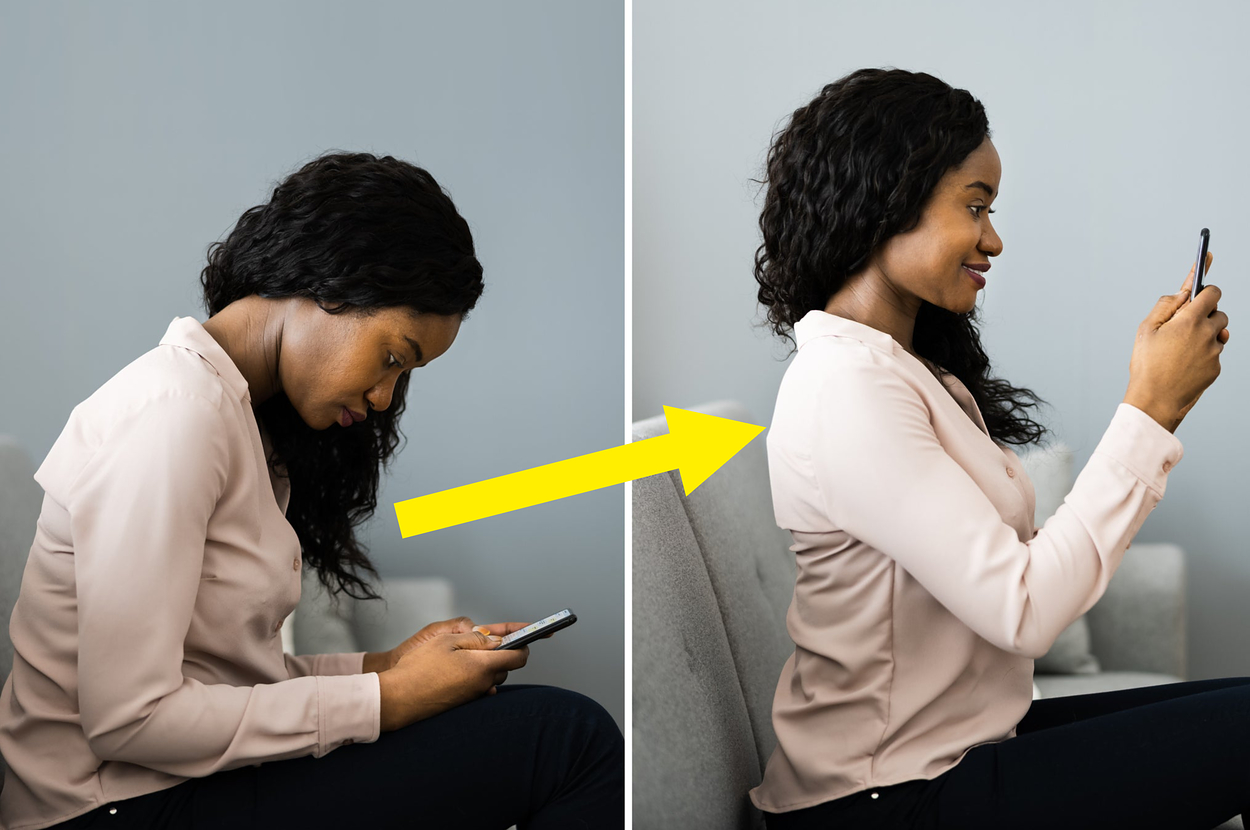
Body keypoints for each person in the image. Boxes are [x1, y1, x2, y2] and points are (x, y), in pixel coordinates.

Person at [0, 152, 624, 830]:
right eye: (393, 357)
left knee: (549, 730)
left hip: (169, 788)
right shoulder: (173, 414)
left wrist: (385, 666)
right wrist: (387, 698)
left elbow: (222, 682)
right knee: (568, 740)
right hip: (107, 809)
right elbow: (133, 720)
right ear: (329, 280)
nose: (385, 398)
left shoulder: (237, 421)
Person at [750, 68, 1244, 829]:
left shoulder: (911, 374)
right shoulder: (846, 388)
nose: (994, 238)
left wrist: (1154, 410)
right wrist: (1149, 410)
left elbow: (1008, 576)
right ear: (886, 201)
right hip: (886, 801)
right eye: (975, 207)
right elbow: (1023, 611)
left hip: (956, 755)